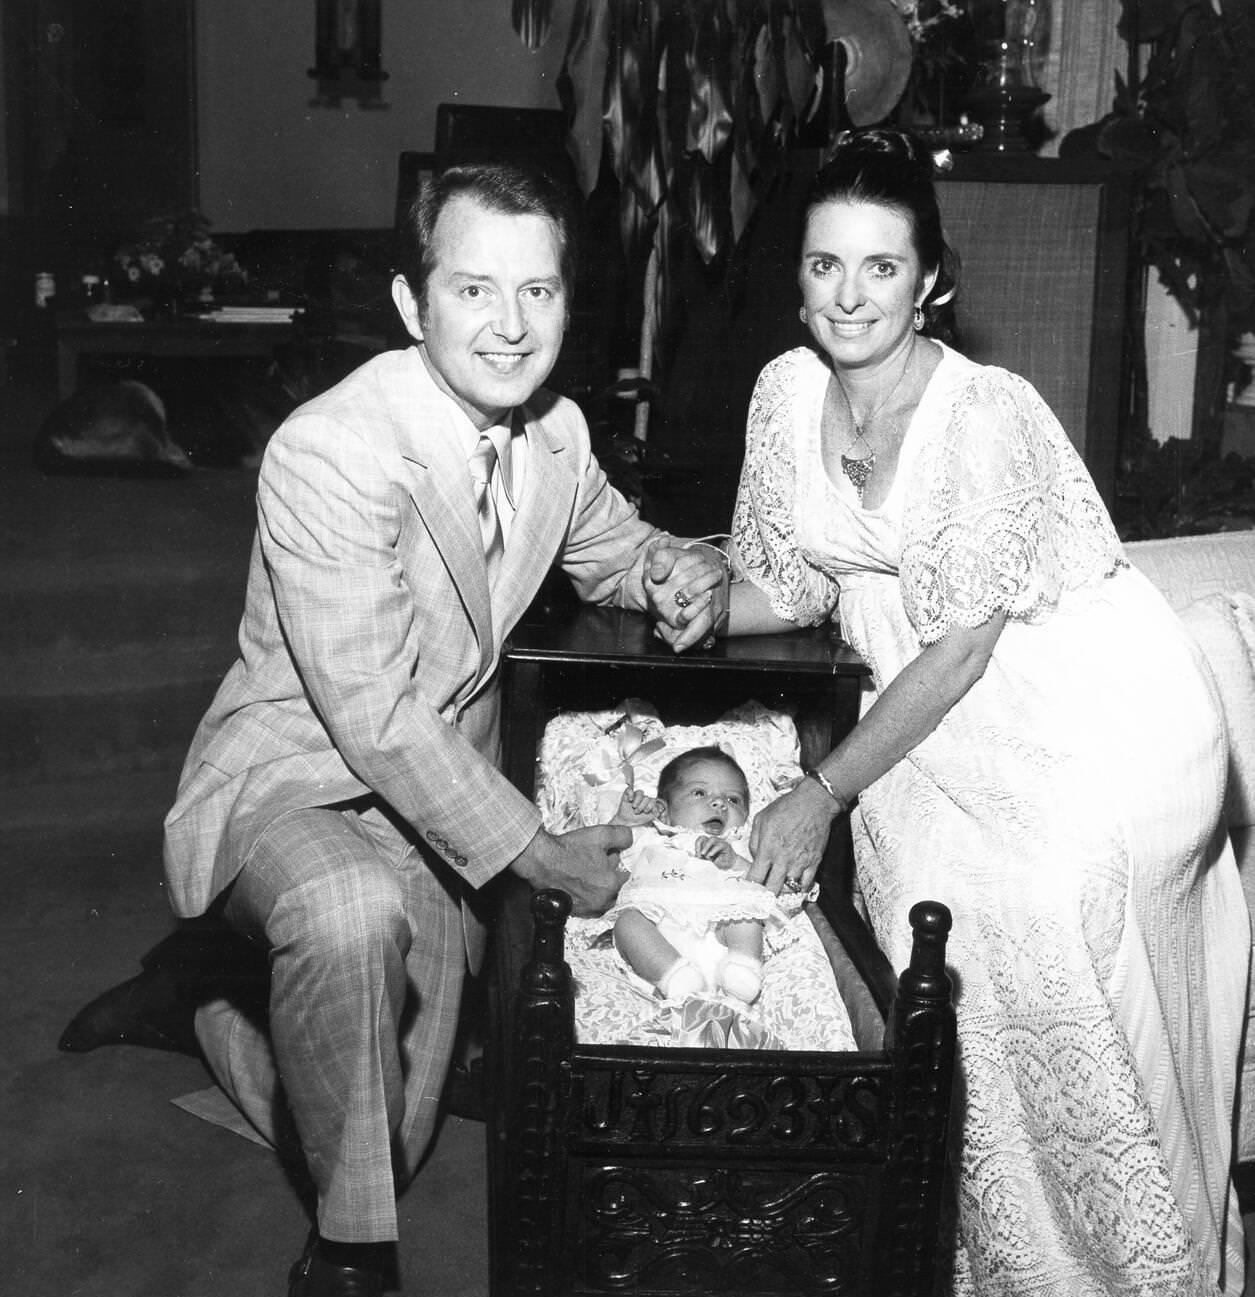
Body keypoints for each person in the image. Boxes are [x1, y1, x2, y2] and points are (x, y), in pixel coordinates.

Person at [60, 161, 730, 1297]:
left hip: (431, 799)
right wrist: (537, 855)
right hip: (296, 775)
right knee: (346, 920)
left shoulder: (556, 435)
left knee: (387, 1137)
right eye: (475, 290)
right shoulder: (330, 448)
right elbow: (370, 711)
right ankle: (349, 1259)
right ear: (414, 306)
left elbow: (619, 549)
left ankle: (208, 999)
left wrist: (685, 571)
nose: (511, 326)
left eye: (539, 292)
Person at [719, 128, 1249, 1296]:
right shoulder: (785, 391)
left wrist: (818, 791)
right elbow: (784, 586)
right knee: (927, 918)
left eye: (880, 268)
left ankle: (1126, 1270)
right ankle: (984, 1254)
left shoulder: (983, 410)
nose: (848, 296)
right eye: (824, 266)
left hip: (1081, 705)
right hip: (921, 712)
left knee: (1036, 909)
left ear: (930, 281)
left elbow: (961, 647)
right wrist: (688, 593)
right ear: (796, 274)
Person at [596, 746, 791, 1005]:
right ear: (664, 811)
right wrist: (623, 820)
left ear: (745, 816)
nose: (719, 803)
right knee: (628, 923)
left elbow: (770, 887)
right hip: (660, 937)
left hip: (722, 936)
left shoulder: (741, 846)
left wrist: (735, 861)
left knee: (746, 914)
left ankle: (743, 966)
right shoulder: (649, 838)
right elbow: (604, 861)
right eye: (699, 792)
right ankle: (673, 976)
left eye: (733, 799)